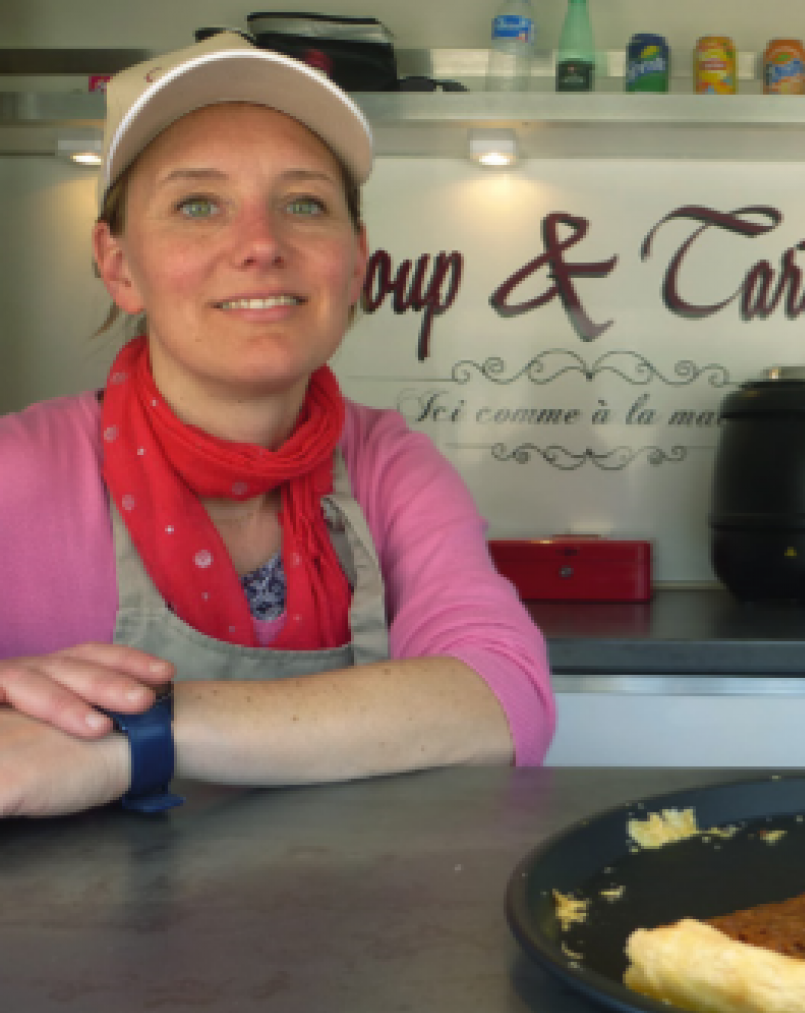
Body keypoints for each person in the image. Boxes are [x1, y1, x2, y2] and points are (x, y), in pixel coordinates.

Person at [0, 33, 555, 817]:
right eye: (198, 204)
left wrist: (139, 735)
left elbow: (503, 703)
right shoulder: (14, 472)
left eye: (304, 204)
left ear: (355, 262)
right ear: (120, 266)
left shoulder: (390, 466)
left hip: (356, 926)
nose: (261, 244)